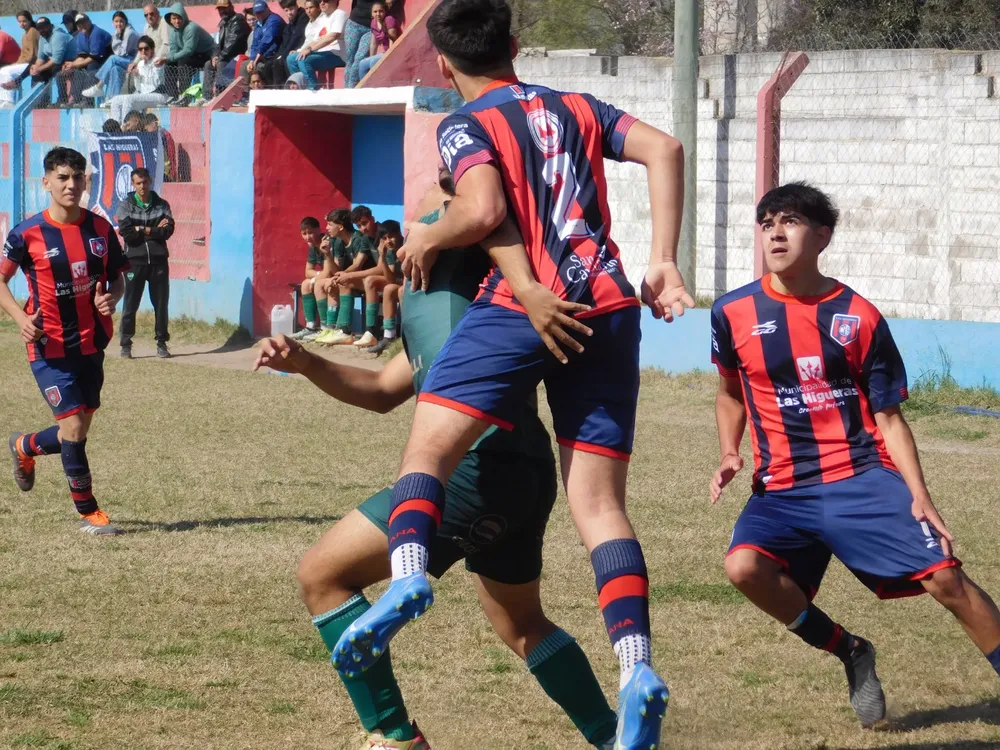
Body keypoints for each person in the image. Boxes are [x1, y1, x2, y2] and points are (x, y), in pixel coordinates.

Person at [334, 2, 693, 748]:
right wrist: (662, 258)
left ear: (441, 64)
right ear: (517, 46)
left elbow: (483, 208)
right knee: (598, 507)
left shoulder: (464, 125)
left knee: (427, 453)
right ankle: (636, 666)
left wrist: (430, 233)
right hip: (609, 304)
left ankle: (406, 578)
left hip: (521, 308)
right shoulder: (577, 105)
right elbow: (665, 147)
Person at [254, 177, 620, 750]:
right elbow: (383, 389)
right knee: (520, 624)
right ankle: (615, 738)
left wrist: (455, 214)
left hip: (477, 466)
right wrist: (305, 362)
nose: (419, 212)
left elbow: (490, 211)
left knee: (323, 576)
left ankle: (395, 735)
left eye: (435, 202)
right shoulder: (422, 295)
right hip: (515, 469)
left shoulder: (479, 267)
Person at [709, 182, 1000, 728]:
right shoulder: (732, 311)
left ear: (822, 236)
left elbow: (889, 416)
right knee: (743, 567)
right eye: (766, 221)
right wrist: (730, 450)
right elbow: (729, 391)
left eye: (790, 221)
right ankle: (850, 651)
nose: (775, 230)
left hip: (859, 476)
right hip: (783, 489)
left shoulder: (858, 316)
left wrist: (920, 495)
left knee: (946, 580)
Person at [0, 147, 128, 536]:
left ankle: (24, 446)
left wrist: (113, 297)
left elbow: (118, 278)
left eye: (77, 178)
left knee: (78, 429)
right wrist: (21, 318)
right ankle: (88, 511)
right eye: (62, 177)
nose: (71, 185)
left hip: (92, 343)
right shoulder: (26, 233)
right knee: (72, 428)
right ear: (46, 182)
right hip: (47, 347)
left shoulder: (101, 230)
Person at [116, 167, 174, 360]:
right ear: (133, 185)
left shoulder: (162, 205)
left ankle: (162, 343)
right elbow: (128, 235)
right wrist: (152, 229)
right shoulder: (125, 206)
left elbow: (167, 231)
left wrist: (140, 228)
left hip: (158, 262)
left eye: (145, 182)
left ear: (150, 182)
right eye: (138, 183)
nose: (142, 186)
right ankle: (126, 344)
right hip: (134, 262)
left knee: (161, 304)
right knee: (131, 304)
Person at [314, 207, 379, 345]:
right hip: (358, 278)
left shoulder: (359, 239)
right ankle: (329, 328)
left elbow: (357, 265)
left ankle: (344, 330)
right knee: (323, 283)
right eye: (359, 225)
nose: (326, 228)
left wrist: (341, 276)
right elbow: (335, 268)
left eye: (330, 224)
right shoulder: (337, 242)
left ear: (341, 226)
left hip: (368, 279)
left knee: (342, 282)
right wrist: (328, 255)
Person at [354, 218, 403, 349]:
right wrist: (382, 257)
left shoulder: (405, 246)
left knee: (389, 289)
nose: (388, 241)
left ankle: (399, 334)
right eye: (385, 238)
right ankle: (373, 331)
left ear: (399, 233)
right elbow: (390, 278)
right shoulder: (389, 250)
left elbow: (394, 280)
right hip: (399, 283)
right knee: (372, 281)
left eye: (391, 237)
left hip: (413, 284)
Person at [286, 0, 347, 90]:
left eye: (325, 1)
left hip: (337, 54)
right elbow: (316, 40)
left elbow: (333, 36)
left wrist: (310, 49)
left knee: (304, 60)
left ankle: (313, 89)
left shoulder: (339, 14)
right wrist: (300, 50)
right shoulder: (324, 18)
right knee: (291, 59)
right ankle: (300, 87)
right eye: (320, 1)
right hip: (322, 53)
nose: (322, 3)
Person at [289, 216, 332, 341]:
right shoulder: (313, 246)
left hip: (337, 276)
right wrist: (317, 276)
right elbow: (307, 272)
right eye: (304, 234)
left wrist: (316, 279)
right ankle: (311, 327)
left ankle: (325, 328)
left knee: (315, 284)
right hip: (324, 277)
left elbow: (329, 272)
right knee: (305, 283)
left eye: (311, 232)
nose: (308, 237)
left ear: (319, 230)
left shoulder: (326, 242)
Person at [108, 36, 169, 125]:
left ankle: (125, 127)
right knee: (116, 100)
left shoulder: (157, 61)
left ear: (152, 49)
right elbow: (139, 88)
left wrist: (157, 68)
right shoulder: (140, 63)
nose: (143, 51)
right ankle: (115, 127)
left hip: (158, 95)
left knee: (129, 99)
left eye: (146, 48)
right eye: (140, 49)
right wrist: (137, 76)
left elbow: (156, 83)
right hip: (143, 95)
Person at [160, 3, 216, 98]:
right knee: (170, 64)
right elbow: (173, 50)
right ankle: (172, 96)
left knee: (183, 60)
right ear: (170, 20)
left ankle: (184, 95)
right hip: (193, 56)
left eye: (179, 18)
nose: (177, 21)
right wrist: (168, 59)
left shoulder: (191, 28)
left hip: (208, 55)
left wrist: (167, 58)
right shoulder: (173, 31)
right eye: (174, 18)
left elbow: (188, 50)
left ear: (184, 17)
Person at [82, 11, 138, 100]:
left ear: (125, 22)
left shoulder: (129, 33)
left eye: (121, 21)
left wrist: (116, 36)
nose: (118, 24)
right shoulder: (119, 33)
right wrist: (117, 35)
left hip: (134, 61)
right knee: (114, 69)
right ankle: (111, 99)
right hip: (125, 61)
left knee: (112, 59)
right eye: (116, 21)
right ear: (112, 23)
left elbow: (120, 53)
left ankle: (99, 86)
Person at [58, 14, 112, 103]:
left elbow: (94, 56)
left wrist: (74, 64)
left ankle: (87, 101)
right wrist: (70, 65)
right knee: (77, 69)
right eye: (79, 24)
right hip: (94, 60)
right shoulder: (80, 36)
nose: (82, 25)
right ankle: (75, 99)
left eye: (84, 22)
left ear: (89, 21)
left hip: (106, 60)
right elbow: (82, 57)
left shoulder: (96, 33)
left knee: (90, 67)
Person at [203, 0, 250, 98]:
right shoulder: (223, 23)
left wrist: (219, 57)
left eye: (224, 8)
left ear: (231, 7)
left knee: (221, 64)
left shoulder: (238, 20)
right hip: (227, 55)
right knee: (208, 64)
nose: (222, 11)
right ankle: (206, 97)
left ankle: (221, 96)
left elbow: (232, 44)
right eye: (220, 9)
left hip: (238, 56)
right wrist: (215, 56)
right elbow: (219, 44)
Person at [21, 17, 75, 90]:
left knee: (54, 70)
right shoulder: (43, 36)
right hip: (60, 62)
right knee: (36, 72)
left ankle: (63, 99)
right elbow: (41, 57)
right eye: (39, 28)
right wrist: (36, 68)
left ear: (50, 25)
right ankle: (41, 100)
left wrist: (39, 68)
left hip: (73, 61)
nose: (42, 30)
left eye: (44, 27)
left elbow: (56, 60)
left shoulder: (58, 36)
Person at [0, 11, 40, 107]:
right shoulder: (25, 34)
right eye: (19, 21)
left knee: (5, 71)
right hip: (23, 63)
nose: (22, 24)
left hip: (32, 63)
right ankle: (3, 99)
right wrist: (17, 63)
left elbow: (32, 55)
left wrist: (16, 64)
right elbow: (23, 54)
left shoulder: (32, 32)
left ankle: (9, 101)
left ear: (30, 20)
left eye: (24, 21)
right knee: (4, 70)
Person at [246, 0, 286, 86]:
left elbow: (268, 38)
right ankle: (246, 94)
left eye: (261, 12)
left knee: (266, 66)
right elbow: (255, 43)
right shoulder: (258, 24)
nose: (259, 15)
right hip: (265, 56)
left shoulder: (274, 20)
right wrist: (252, 60)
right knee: (244, 66)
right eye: (257, 13)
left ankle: (271, 90)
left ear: (267, 9)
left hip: (277, 53)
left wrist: (258, 55)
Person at [356, 0, 397, 82]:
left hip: (393, 51)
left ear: (385, 12)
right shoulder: (373, 23)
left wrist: (390, 56)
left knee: (374, 62)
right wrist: (371, 57)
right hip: (384, 53)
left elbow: (393, 39)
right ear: (371, 13)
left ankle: (375, 84)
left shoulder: (389, 20)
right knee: (362, 63)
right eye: (375, 12)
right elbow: (373, 44)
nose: (378, 14)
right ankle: (365, 87)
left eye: (381, 11)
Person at [275, 0, 307, 81]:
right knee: (273, 64)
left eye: (291, 9)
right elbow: (285, 41)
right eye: (286, 10)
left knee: (286, 60)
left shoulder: (303, 17)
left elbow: (297, 37)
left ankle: (293, 86)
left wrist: (284, 55)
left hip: (301, 48)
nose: (289, 12)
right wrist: (280, 55)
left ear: (296, 7)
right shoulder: (290, 23)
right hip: (291, 50)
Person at [131, 5, 171, 69]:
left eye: (151, 14)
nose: (149, 17)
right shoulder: (146, 27)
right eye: (146, 15)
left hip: (163, 60)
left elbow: (166, 44)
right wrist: (135, 62)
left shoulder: (164, 22)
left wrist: (155, 60)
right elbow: (142, 46)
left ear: (158, 13)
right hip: (152, 61)